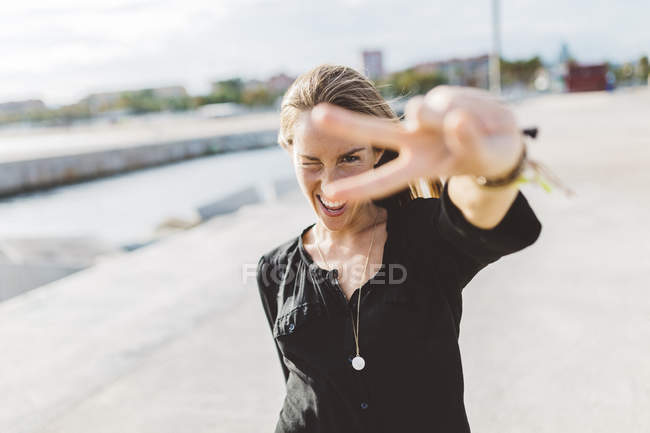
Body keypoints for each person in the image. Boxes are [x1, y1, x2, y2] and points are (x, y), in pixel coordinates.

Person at [256, 64, 542, 433]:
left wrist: (493, 170)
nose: (329, 184)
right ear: (289, 149)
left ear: (377, 152)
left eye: (349, 159)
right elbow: (298, 387)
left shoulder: (424, 235)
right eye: (311, 163)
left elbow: (477, 212)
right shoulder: (274, 269)